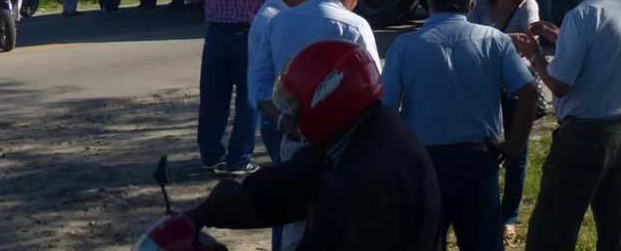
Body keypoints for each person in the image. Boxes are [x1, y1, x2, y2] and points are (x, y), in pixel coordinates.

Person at [182, 40, 444, 251]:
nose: (292, 115)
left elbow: (330, 239)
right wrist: (209, 211)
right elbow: (289, 185)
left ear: (328, 102)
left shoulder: (369, 174)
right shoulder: (353, 133)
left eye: (296, 105)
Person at [382, 0, 538, 251]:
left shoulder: (404, 46)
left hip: (425, 163)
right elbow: (528, 92)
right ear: (471, 5)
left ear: (429, 2)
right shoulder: (495, 40)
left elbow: (386, 111)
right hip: (478, 161)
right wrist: (514, 145)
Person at [523, 0, 621, 251]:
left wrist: (536, 56)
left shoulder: (583, 15)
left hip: (587, 137)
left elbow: (561, 85)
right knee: (617, 230)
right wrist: (561, 34)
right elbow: (605, 51)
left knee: (553, 228)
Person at [267, 0, 380, 251]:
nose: (356, 3)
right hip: (341, 145)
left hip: (295, 137)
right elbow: (375, 87)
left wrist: (282, 121)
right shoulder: (354, 25)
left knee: (295, 227)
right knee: (340, 227)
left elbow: (263, 85)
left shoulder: (280, 21)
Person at [185, 0, 271, 176]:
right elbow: (271, 4)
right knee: (248, 100)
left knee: (212, 99)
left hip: (215, 37)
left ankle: (210, 155)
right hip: (247, 37)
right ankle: (239, 159)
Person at [466, 0, 539, 242]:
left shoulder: (527, 6)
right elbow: (468, 38)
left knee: (516, 154)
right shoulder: (480, 8)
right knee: (482, 149)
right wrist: (503, 41)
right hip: (485, 88)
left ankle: (509, 216)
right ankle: (483, 209)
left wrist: (491, 41)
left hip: (518, 87)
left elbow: (527, 40)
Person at [246, 0, 314, 251]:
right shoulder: (275, 18)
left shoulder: (279, 14)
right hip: (280, 122)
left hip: (280, 120)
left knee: (289, 196)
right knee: (290, 200)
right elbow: (260, 85)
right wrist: (283, 122)